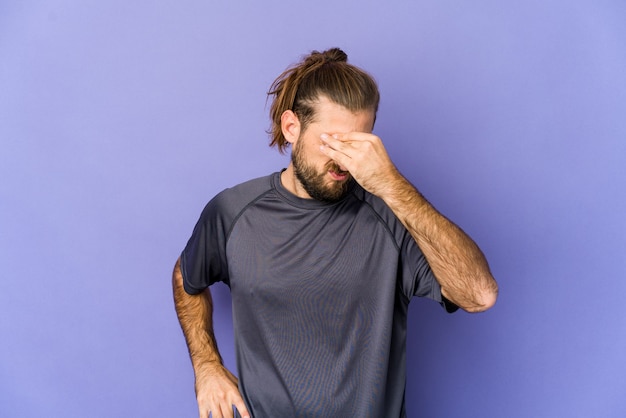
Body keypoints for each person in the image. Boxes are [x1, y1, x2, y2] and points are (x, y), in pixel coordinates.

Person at [172, 47, 498, 418]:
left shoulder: (393, 217)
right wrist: (207, 366)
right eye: (332, 141)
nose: (343, 159)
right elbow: (186, 277)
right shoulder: (233, 212)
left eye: (358, 143)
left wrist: (390, 185)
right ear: (291, 127)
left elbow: (479, 295)